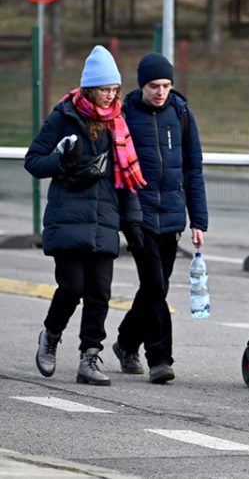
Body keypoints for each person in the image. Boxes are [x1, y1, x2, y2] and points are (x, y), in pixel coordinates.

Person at [26, 45, 144, 386]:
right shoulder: (63, 117)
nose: (110, 96)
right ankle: (50, 334)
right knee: (71, 287)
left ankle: (90, 357)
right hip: (67, 219)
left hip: (105, 220)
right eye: (104, 89)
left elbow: (126, 180)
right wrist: (61, 159)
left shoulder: (118, 125)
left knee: (99, 293)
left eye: (114, 90)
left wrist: (132, 222)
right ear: (90, 88)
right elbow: (33, 161)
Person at [111, 52, 209, 384]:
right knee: (154, 284)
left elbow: (194, 170)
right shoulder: (124, 115)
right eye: (154, 85)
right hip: (138, 215)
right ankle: (159, 358)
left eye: (166, 85)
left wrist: (198, 221)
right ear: (142, 85)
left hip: (171, 217)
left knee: (157, 286)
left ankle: (126, 342)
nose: (161, 91)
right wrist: (124, 216)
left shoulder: (181, 114)